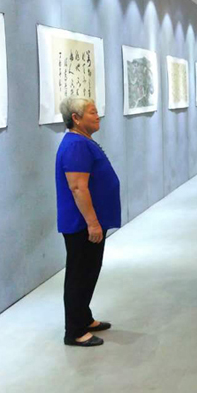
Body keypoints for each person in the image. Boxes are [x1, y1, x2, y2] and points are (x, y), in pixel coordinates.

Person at [55, 97, 121, 347]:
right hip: (81, 224)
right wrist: (92, 223)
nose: (98, 116)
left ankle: (84, 318)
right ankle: (74, 331)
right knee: (79, 274)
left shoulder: (82, 141)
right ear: (76, 118)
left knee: (89, 271)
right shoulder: (76, 146)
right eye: (92, 112)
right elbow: (78, 188)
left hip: (89, 222)